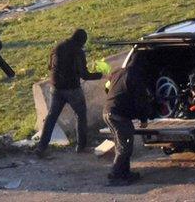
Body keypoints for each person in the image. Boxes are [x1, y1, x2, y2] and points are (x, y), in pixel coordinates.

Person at [34, 29, 103, 157]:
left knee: (51, 117)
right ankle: (81, 146)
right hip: (72, 89)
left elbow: (50, 66)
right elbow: (84, 75)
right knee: (81, 115)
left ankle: (41, 147)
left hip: (56, 88)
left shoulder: (58, 47)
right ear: (81, 41)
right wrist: (100, 75)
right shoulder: (78, 52)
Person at [103, 60, 151, 185]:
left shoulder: (117, 72)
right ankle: (115, 175)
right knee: (125, 146)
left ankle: (125, 173)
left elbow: (107, 87)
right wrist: (144, 119)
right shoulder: (136, 76)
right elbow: (140, 100)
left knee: (122, 143)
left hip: (108, 111)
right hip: (118, 115)